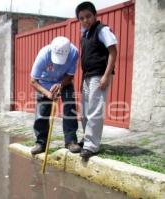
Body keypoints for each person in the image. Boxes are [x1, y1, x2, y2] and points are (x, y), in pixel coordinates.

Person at [75, 2, 118, 160]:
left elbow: (113, 52)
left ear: (95, 15)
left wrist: (106, 75)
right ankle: (87, 140)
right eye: (81, 18)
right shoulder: (85, 35)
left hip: (99, 75)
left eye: (88, 16)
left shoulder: (102, 30)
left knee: (94, 111)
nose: (85, 20)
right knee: (85, 112)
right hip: (87, 77)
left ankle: (91, 146)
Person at [30, 36, 81, 155]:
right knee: (41, 113)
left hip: (64, 81)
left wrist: (60, 85)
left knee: (70, 108)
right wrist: (48, 93)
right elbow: (33, 80)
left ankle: (71, 141)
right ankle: (41, 143)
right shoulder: (44, 54)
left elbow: (70, 75)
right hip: (44, 83)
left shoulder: (73, 53)